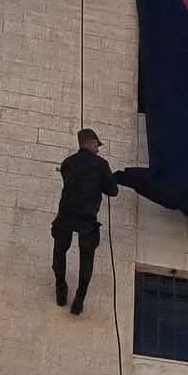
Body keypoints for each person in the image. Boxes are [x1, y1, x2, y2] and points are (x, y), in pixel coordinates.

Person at [52, 128, 118, 316]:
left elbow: (70, 181)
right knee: (86, 259)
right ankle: (79, 300)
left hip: (65, 216)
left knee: (59, 252)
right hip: (87, 219)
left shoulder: (67, 163)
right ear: (91, 142)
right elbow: (113, 191)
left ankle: (60, 289)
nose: (98, 149)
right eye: (97, 145)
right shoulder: (101, 165)